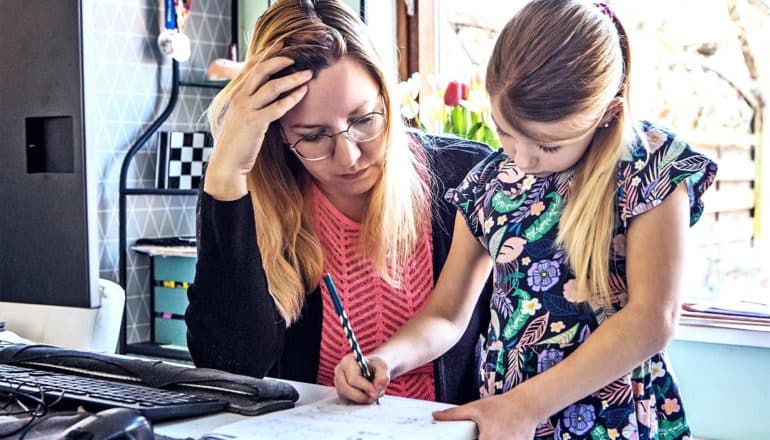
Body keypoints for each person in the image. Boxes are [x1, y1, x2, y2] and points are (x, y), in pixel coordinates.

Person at [334, 1, 718, 438]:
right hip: (510, 423)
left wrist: (525, 405)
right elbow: (446, 316)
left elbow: (652, 320)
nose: (523, 157)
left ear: (606, 114)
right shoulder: (487, 183)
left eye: (549, 146)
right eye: (504, 131)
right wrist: (387, 358)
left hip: (616, 426)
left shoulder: (647, 166)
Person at [184, 0, 492, 405]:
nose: (348, 157)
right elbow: (228, 368)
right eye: (313, 137)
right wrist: (226, 175)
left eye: (365, 120)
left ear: (387, 95)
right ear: (277, 135)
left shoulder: (466, 177)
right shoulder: (247, 202)